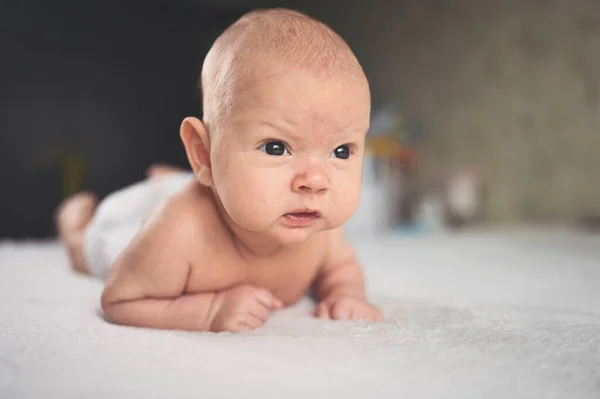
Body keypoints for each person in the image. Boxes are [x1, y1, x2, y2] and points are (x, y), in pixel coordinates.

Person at [55, 8, 383, 333]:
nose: (315, 181)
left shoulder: (313, 222)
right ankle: (74, 221)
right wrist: (210, 312)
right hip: (131, 226)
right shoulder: (179, 233)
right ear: (203, 154)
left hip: (216, 187)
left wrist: (345, 294)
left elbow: (341, 268)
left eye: (341, 151)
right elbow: (119, 301)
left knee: (210, 186)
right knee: (88, 249)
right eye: (276, 147)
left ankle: (170, 178)